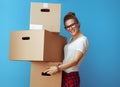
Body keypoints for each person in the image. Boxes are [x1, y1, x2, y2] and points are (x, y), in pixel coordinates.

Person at [44, 12, 89, 87]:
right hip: (63, 73)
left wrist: (57, 68)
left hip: (71, 75)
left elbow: (75, 61)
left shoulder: (82, 40)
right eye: (67, 27)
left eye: (72, 25)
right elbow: (67, 58)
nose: (70, 28)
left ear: (78, 24)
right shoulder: (71, 39)